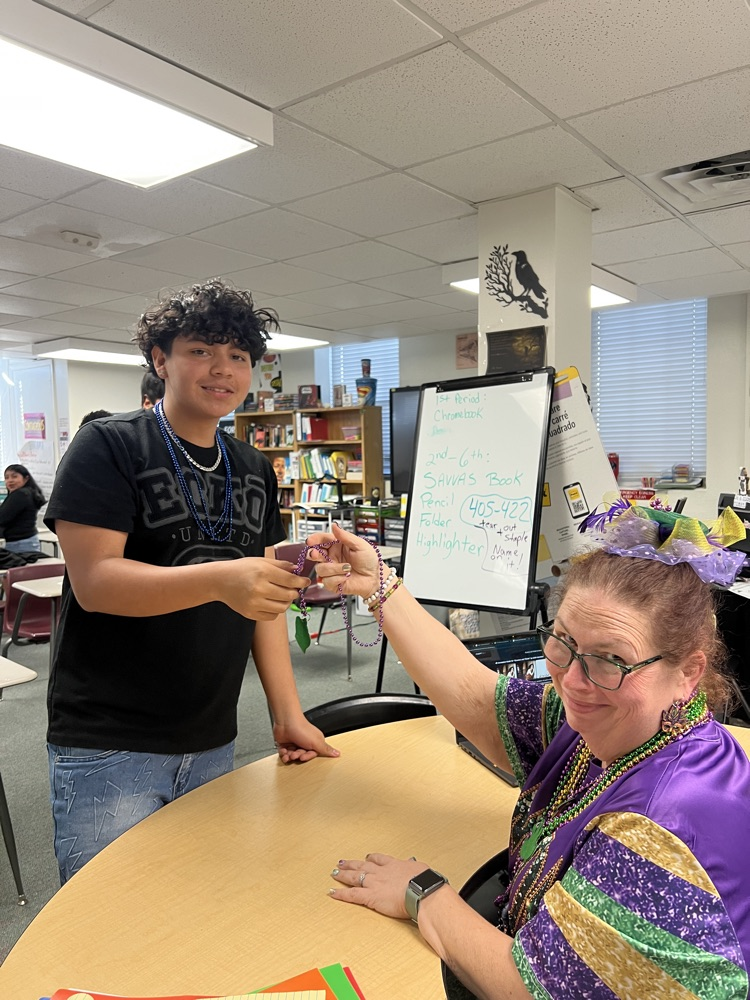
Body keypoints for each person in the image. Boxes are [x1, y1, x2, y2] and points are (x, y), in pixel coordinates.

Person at [309, 501, 750, 999]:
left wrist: (423, 893)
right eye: (562, 642)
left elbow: (526, 986)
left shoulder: (659, 829)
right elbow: (481, 703)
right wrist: (379, 585)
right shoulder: (629, 726)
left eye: (611, 660)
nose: (574, 683)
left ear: (687, 673)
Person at [44, 277, 338, 884]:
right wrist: (222, 578)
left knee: (194, 910)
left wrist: (286, 713)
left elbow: (266, 602)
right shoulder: (109, 445)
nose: (221, 369)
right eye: (201, 350)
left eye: (238, 356)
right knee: (109, 926)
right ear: (161, 359)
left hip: (212, 734)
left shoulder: (255, 467)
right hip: (109, 740)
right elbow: (96, 582)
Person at [0, 464, 45, 553]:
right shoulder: (29, 492)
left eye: (14, 477)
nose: (10, 481)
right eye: (6, 478)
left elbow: (2, 518)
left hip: (20, 544)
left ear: (26, 478)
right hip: (27, 541)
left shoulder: (20, 494)